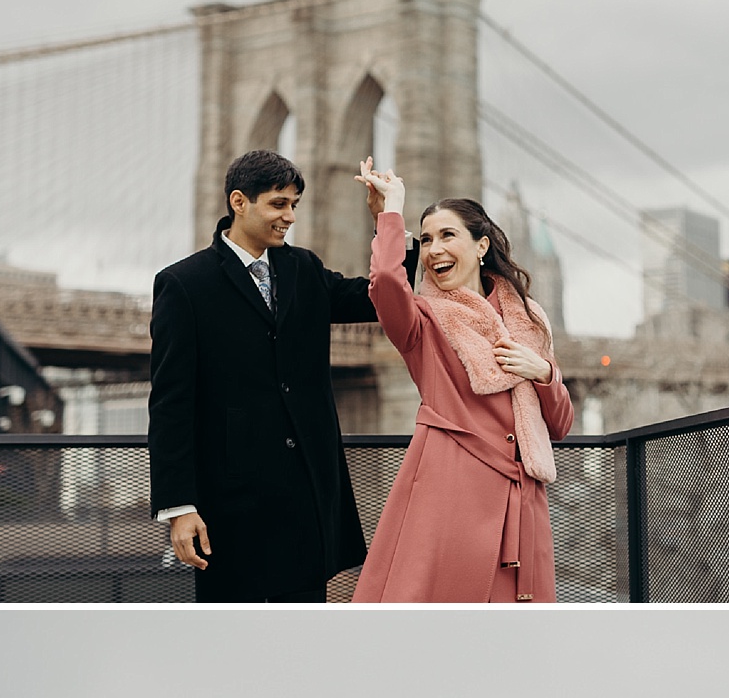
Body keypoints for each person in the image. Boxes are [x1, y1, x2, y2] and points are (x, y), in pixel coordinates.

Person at [148, 149, 379, 599]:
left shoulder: (305, 269)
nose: (289, 216)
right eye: (278, 204)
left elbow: (378, 297)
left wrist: (387, 224)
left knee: (304, 638)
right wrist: (179, 506)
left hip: (307, 494)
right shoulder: (183, 284)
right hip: (230, 501)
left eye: (294, 205)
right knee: (231, 640)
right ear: (239, 201)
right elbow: (171, 403)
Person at [351, 162, 573, 600]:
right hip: (449, 493)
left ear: (481, 245)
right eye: (427, 239)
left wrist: (543, 373)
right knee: (441, 629)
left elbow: (561, 423)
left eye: (447, 235)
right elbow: (385, 284)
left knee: (515, 642)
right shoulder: (424, 320)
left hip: (522, 501)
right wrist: (389, 214)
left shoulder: (529, 320)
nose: (434, 250)